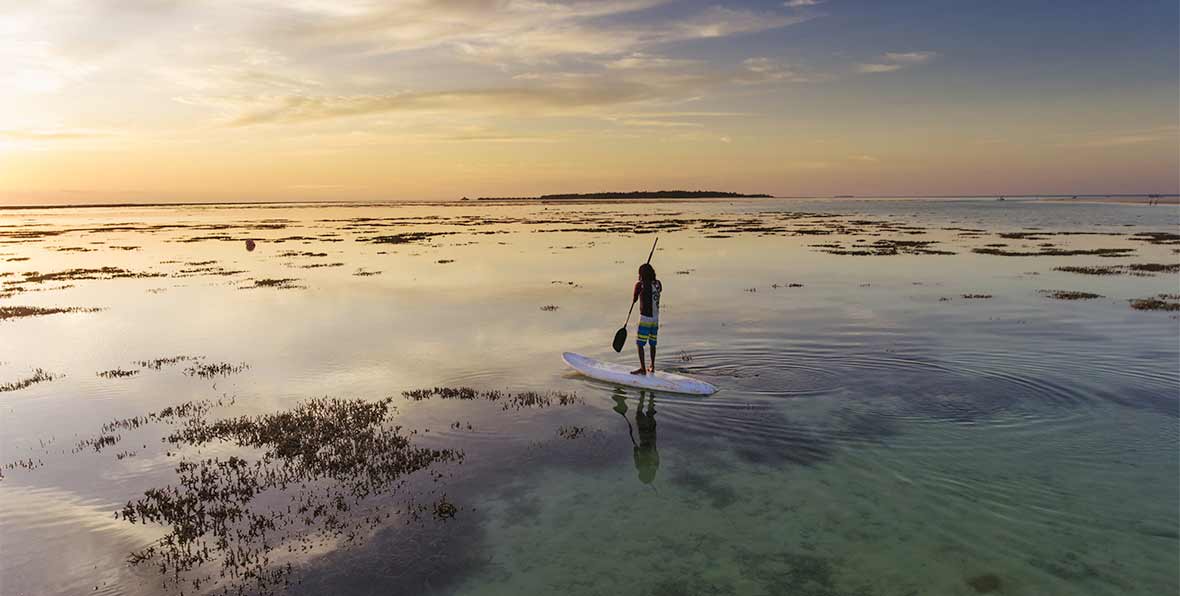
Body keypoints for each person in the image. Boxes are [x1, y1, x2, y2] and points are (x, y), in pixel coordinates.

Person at [631, 263, 662, 375]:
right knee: (652, 343)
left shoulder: (640, 285)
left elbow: (634, 299)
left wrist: (640, 286)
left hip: (645, 319)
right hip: (655, 318)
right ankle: (652, 366)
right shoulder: (658, 284)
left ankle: (643, 368)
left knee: (640, 344)